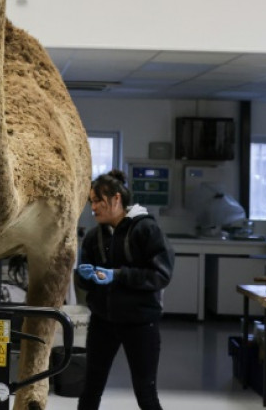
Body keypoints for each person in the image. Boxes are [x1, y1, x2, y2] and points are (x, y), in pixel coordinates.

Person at [74, 169, 175, 410]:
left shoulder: (146, 229)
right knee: (90, 389)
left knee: (145, 392)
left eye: (98, 201)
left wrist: (117, 275)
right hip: (103, 321)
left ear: (116, 199)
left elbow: (161, 275)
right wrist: (83, 276)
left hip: (140, 322)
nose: (93, 208)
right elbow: (86, 283)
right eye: (91, 202)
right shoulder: (92, 237)